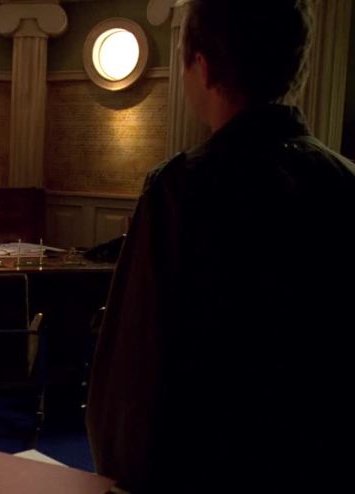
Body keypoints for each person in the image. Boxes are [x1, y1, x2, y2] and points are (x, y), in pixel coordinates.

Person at [86, 1, 355, 491]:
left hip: (202, 465)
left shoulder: (181, 188)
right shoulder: (345, 180)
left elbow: (137, 363)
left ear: (202, 66)